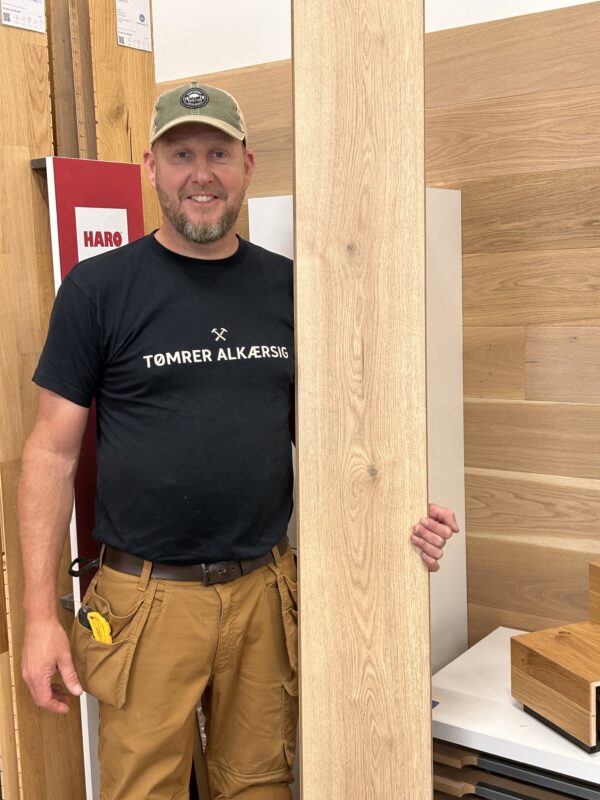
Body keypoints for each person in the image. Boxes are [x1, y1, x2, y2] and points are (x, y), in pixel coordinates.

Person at [18, 82, 459, 800]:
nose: (202, 174)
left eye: (219, 154)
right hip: (145, 603)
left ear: (248, 166)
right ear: (151, 168)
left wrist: (402, 517)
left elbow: (333, 447)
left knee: (259, 787)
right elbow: (50, 453)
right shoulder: (98, 289)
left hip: (264, 594)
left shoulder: (291, 289)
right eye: (181, 155)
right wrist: (39, 617)